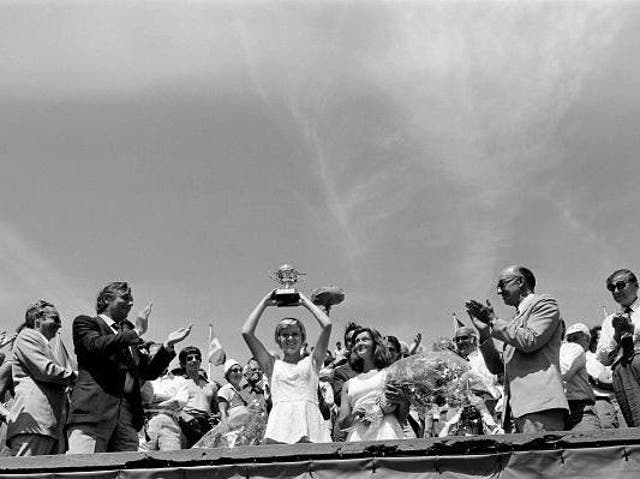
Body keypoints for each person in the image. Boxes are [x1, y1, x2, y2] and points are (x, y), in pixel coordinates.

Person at [66, 281, 192, 453]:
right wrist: (137, 332)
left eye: (132, 299)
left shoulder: (128, 339)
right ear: (106, 300)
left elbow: (148, 371)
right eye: (125, 298)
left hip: (127, 418)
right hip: (94, 414)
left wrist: (168, 345)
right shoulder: (86, 323)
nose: (131, 303)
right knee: (86, 470)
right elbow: (95, 346)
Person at [466, 265, 568, 433]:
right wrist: (485, 332)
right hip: (514, 411)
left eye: (502, 284)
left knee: (542, 458)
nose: (499, 291)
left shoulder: (544, 303)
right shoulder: (511, 323)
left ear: (520, 281)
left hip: (539, 405)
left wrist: (493, 320)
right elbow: (496, 366)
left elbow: (530, 340)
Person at [242, 290, 332, 444]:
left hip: (311, 422)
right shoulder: (271, 365)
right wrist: (264, 302)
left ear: (303, 338)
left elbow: (327, 325)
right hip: (280, 426)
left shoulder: (313, 362)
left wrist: (304, 301)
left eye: (295, 334)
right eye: (284, 334)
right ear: (278, 339)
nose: (290, 338)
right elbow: (246, 332)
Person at [5, 300, 76, 456]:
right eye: (55, 319)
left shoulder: (43, 345)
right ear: (38, 319)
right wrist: (76, 376)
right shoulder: (27, 337)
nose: (59, 325)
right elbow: (45, 370)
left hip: (50, 427)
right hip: (35, 423)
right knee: (26, 473)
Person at [338, 327, 407, 441]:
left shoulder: (389, 374)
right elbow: (343, 423)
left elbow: (402, 415)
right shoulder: (348, 385)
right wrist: (355, 413)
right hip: (358, 435)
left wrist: (401, 401)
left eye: (365, 339)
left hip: (387, 430)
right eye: (357, 341)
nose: (360, 343)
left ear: (375, 344)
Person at [596, 269, 640, 426]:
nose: (616, 291)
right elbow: (602, 358)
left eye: (621, 285)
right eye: (611, 288)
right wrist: (617, 335)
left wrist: (632, 330)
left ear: (636, 285)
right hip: (621, 372)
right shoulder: (610, 321)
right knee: (635, 422)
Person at [140, 349, 189, 451]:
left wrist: (153, 400)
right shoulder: (143, 380)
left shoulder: (179, 380)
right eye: (154, 357)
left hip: (170, 422)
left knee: (171, 459)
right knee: (141, 460)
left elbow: (179, 402)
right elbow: (139, 402)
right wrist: (168, 398)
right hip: (146, 423)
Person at [175, 346, 219, 448]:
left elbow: (216, 409)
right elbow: (173, 406)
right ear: (183, 363)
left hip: (207, 424)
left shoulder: (211, 385)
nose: (194, 360)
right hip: (186, 424)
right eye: (189, 358)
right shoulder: (178, 382)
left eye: (197, 357)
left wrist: (216, 417)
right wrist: (185, 417)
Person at [560, 323, 598, 431]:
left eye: (576, 337)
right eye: (570, 338)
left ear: (587, 338)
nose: (573, 341)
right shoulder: (564, 350)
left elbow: (564, 372)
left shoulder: (575, 350)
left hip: (580, 408)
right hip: (562, 409)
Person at [586, 325, 621, 428]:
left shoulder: (612, 358)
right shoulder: (589, 358)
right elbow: (602, 380)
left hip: (617, 400)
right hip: (603, 402)